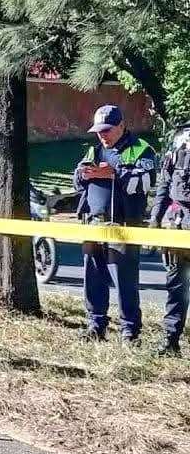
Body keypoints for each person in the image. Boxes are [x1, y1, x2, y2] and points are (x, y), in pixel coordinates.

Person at [74, 105, 156, 344]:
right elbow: (76, 181)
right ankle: (95, 324)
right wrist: (83, 173)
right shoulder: (95, 150)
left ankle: (129, 330)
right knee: (93, 276)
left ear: (121, 125)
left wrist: (113, 172)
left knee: (125, 279)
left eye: (107, 130)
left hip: (124, 225)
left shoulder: (141, 149)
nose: (103, 135)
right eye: (99, 131)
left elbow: (146, 181)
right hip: (94, 223)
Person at [148, 126, 190, 355]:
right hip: (178, 225)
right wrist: (155, 219)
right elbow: (164, 185)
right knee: (177, 287)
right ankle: (171, 341)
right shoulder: (181, 139)